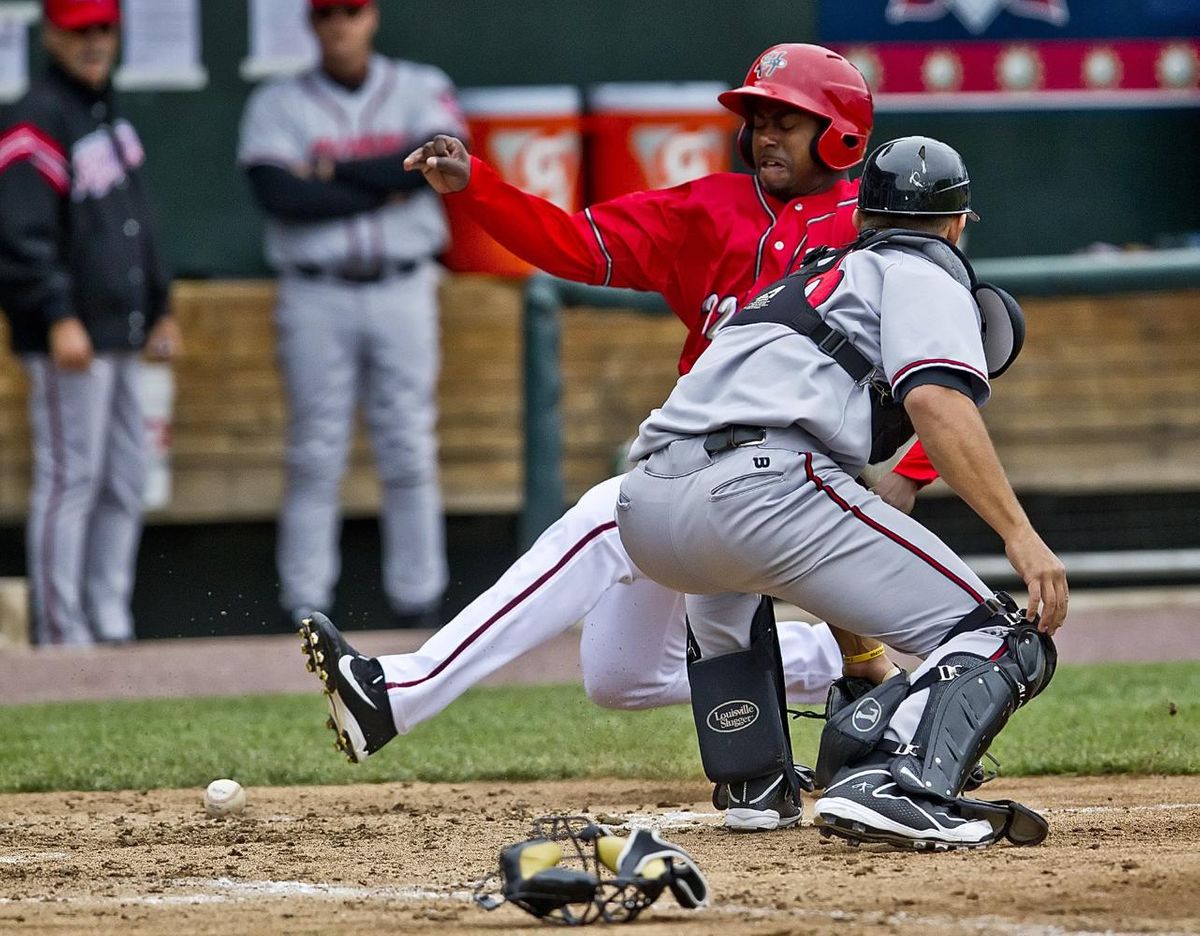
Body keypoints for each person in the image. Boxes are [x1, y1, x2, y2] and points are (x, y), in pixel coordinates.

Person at [301, 44, 921, 829]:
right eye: (758, 119)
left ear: (840, 136)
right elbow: (577, 245)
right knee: (621, 676)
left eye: (788, 121)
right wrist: (477, 189)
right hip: (703, 467)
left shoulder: (870, 230)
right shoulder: (710, 210)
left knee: (605, 517)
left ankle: (399, 692)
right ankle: (858, 664)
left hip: (788, 477)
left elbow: (950, 349)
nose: (765, 135)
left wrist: (919, 465)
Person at [613, 136, 1067, 848]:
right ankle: (899, 782)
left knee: (733, 581)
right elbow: (937, 404)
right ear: (957, 224)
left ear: (862, 216)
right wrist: (1020, 533)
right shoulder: (924, 272)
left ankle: (754, 780)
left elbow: (817, 519)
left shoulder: (795, 284)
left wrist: (860, 659)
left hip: (645, 506)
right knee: (1003, 638)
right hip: (757, 493)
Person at [238, 0, 465, 629]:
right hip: (316, 291)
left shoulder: (421, 86)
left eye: (351, 10)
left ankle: (420, 605)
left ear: (372, 16)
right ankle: (306, 608)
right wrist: (388, 179)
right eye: (326, 13)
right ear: (312, 24)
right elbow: (280, 195)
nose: (339, 23)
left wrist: (329, 170)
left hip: (404, 285)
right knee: (314, 451)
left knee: (410, 447)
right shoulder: (277, 103)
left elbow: (445, 167)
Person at [0, 0, 179, 646]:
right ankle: (61, 630)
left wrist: (161, 306)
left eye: (103, 27)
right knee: (71, 477)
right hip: (72, 333)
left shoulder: (109, 111)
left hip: (126, 326)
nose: (94, 40)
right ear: (51, 34)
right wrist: (56, 313)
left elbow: (139, 223)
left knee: (128, 477)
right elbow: (20, 236)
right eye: (80, 29)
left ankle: (110, 620)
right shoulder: (34, 116)